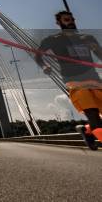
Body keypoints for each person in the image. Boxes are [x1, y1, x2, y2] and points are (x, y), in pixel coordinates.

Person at [35, 11, 102, 151]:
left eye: (72, 19)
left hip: (94, 79)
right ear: (58, 23)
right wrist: (44, 66)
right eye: (66, 20)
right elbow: (38, 55)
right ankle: (92, 129)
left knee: (97, 117)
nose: (70, 22)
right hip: (74, 82)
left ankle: (85, 130)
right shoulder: (53, 40)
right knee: (94, 116)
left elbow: (100, 55)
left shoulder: (87, 38)